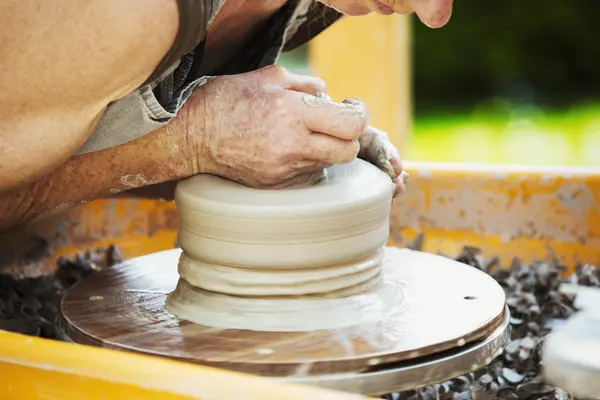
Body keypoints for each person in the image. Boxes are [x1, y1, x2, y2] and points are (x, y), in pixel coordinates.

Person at [0, 0, 453, 232]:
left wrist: (286, 146)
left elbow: (76, 132)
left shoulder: (318, 5)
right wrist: (193, 140)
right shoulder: (125, 13)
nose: (436, 15)